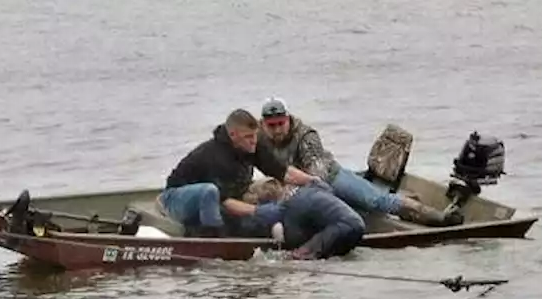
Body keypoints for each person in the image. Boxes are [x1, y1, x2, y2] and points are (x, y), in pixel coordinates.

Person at [257, 97, 463, 227]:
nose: (276, 130)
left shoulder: (305, 135)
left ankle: (437, 217)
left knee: (377, 201)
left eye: (280, 124)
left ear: (288, 119)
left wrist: (290, 191)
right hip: (297, 187)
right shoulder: (258, 138)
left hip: (330, 177)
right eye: (271, 125)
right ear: (264, 124)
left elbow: (316, 171)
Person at [159, 108, 322, 237]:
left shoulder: (253, 144)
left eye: (255, 135)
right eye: (248, 137)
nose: (254, 141)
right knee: (209, 193)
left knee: (271, 187)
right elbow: (225, 202)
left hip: (228, 194)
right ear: (233, 135)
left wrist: (312, 180)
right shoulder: (215, 156)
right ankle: (214, 238)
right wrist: (258, 212)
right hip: (176, 199)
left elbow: (284, 172)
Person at [237, 177, 366, 259]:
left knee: (296, 257)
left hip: (340, 227)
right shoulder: (304, 191)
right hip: (358, 225)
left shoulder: (287, 208)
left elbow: (293, 239)